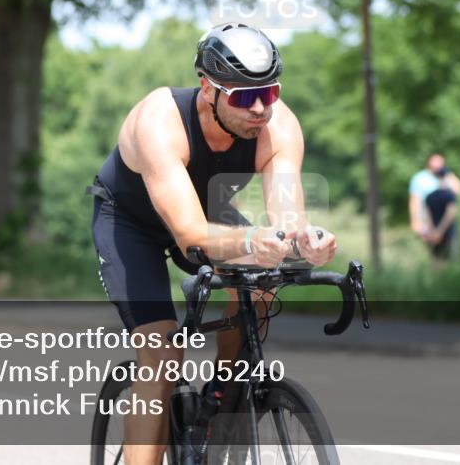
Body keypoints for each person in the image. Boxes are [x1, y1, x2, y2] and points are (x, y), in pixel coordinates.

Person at [88, 23, 337, 465]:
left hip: (209, 211)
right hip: (132, 222)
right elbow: (189, 235)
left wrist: (305, 239)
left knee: (264, 282)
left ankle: (225, 396)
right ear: (208, 88)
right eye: (244, 96)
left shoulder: (278, 127)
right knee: (163, 352)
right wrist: (251, 237)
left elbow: (287, 217)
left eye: (271, 93)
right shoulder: (160, 120)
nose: (260, 108)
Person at [424, 166, 460, 261]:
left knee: (436, 262)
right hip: (448, 234)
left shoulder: (430, 196)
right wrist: (440, 231)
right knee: (451, 262)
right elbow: (449, 215)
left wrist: (433, 232)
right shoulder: (450, 196)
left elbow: (428, 217)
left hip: (433, 235)